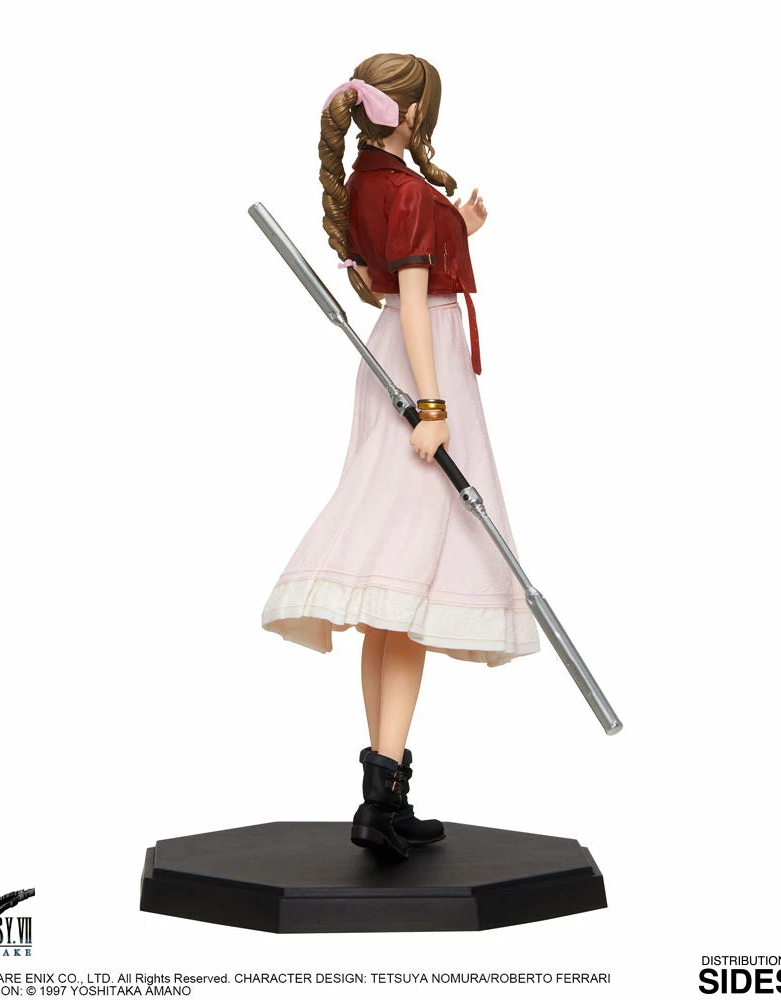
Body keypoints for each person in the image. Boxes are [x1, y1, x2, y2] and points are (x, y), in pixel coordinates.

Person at [262, 53, 539, 859]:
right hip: (423, 367)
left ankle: (382, 796)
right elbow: (414, 300)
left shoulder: (371, 182)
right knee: (408, 580)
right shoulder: (408, 192)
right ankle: (379, 798)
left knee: (395, 596)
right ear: (411, 115)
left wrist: (458, 230)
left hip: (403, 357)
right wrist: (433, 407)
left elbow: (400, 267)